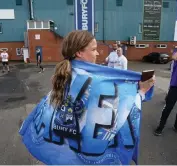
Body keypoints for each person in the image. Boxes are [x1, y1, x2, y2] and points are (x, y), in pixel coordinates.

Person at [19, 30, 155, 165]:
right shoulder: (96, 82)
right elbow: (120, 114)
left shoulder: (65, 73)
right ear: (79, 52)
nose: (97, 53)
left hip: (62, 153)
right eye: (94, 49)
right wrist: (141, 93)